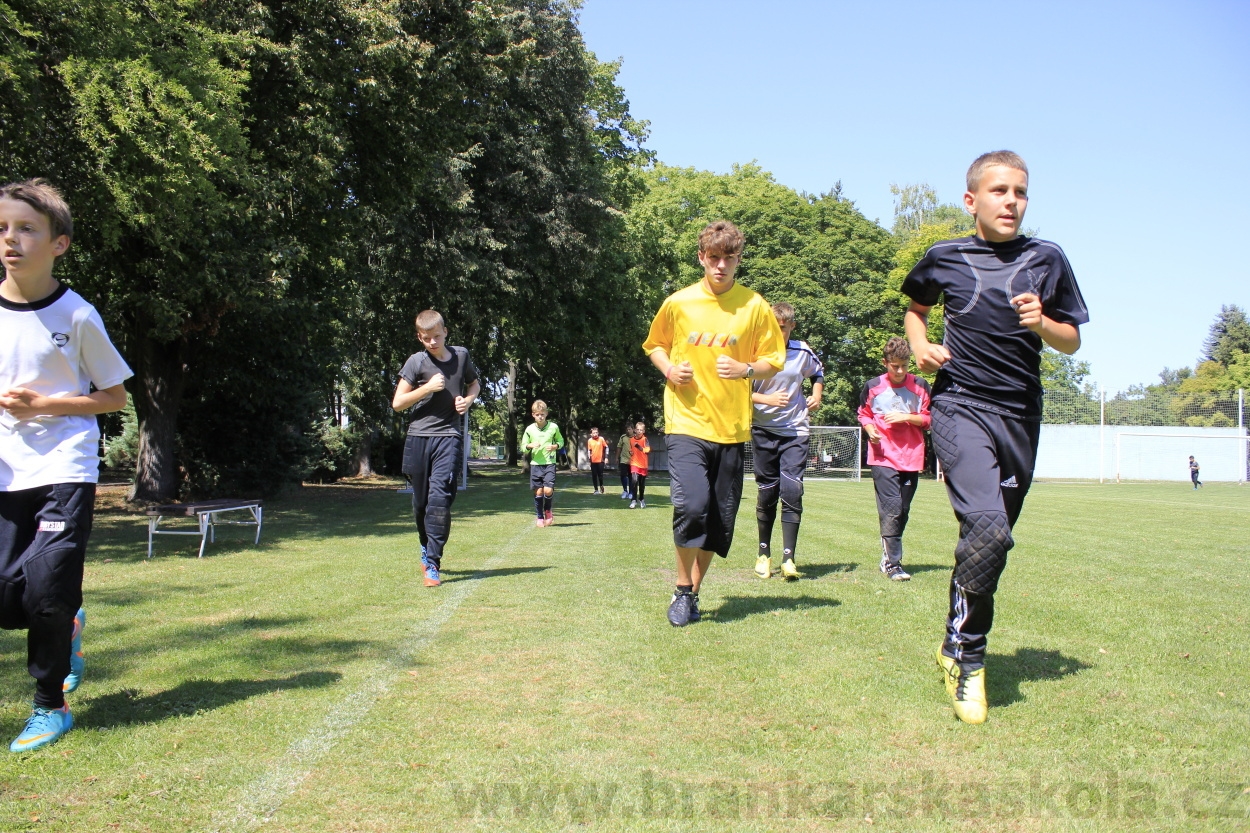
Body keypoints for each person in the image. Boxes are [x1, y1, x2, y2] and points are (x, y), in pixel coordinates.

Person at [903, 151, 1088, 724]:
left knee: (992, 538)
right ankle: (970, 659)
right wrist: (919, 346)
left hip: (1020, 416)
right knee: (984, 525)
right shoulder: (944, 257)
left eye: (1021, 192)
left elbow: (1072, 340)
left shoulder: (1046, 258)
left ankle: (954, 637)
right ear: (972, 200)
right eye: (1000, 190)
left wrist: (1043, 324)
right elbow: (916, 309)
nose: (1012, 201)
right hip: (959, 405)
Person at [0, 179, 131, 751]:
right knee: (9, 599)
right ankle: (71, 626)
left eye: (27, 228)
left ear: (60, 243)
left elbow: (113, 397)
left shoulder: (77, 316)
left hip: (63, 467)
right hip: (6, 472)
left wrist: (45, 404)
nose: (11, 239)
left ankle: (49, 706)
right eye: (3, 228)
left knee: (46, 593)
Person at [643, 220, 785, 626]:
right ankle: (681, 588)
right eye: (714, 257)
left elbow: (773, 360)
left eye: (729, 258)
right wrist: (669, 369)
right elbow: (655, 344)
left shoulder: (754, 306)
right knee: (692, 506)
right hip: (686, 421)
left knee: (719, 522)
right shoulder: (679, 303)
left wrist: (745, 368)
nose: (721, 265)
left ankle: (691, 594)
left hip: (732, 428)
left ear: (739, 260)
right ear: (701, 258)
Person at [392, 310, 480, 588]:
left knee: (440, 499)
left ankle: (433, 562)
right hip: (419, 437)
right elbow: (398, 403)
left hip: (448, 436)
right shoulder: (416, 362)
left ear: (446, 332)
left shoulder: (462, 356)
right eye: (426, 338)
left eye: (437, 336)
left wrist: (469, 400)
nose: (432, 342)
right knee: (421, 504)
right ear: (420, 337)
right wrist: (427, 388)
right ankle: (424, 544)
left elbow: (474, 384)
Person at [750, 302, 824, 580]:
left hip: (795, 430)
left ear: (791, 326)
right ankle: (763, 554)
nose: (776, 331)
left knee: (792, 491)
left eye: (781, 327)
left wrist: (817, 393)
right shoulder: (754, 351)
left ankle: (788, 559)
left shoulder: (802, 351)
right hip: (763, 429)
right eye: (772, 326)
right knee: (768, 492)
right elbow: (737, 387)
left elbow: (817, 372)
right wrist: (766, 399)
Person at [857, 337, 931, 582]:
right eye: (894, 366)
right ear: (885, 363)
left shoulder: (921, 386)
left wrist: (905, 417)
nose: (900, 371)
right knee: (892, 508)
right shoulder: (872, 386)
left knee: (903, 509)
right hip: (882, 456)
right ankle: (893, 564)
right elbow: (863, 414)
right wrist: (869, 429)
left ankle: (888, 556)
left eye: (904, 365)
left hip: (911, 456)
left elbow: (930, 419)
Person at [522, 400, 564, 526]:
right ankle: (540, 516)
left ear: (546, 414)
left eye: (542, 414)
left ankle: (548, 510)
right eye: (537, 414)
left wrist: (555, 446)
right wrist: (530, 445)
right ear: (533, 415)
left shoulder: (553, 427)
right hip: (535, 464)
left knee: (548, 490)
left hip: (550, 463)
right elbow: (523, 447)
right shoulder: (529, 429)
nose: (540, 416)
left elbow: (561, 441)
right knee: (539, 491)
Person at [628, 421, 651, 508]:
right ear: (635, 430)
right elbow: (631, 450)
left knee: (641, 484)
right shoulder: (631, 440)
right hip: (634, 463)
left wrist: (640, 447)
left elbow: (647, 450)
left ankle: (641, 499)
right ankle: (633, 500)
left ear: (644, 431)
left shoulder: (645, 439)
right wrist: (631, 452)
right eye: (637, 429)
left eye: (641, 430)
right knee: (634, 480)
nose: (639, 431)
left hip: (643, 465)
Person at [586, 427, 609, 494]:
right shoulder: (589, 440)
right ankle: (596, 490)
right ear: (591, 434)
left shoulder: (601, 439)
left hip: (600, 461)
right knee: (594, 475)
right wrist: (589, 460)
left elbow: (606, 447)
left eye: (596, 432)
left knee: (600, 475)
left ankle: (601, 485)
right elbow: (589, 451)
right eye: (594, 433)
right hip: (593, 461)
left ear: (598, 433)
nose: (595, 434)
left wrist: (606, 457)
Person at [617, 422, 633, 499]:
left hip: (633, 461)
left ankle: (631, 492)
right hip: (623, 459)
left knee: (631, 477)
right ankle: (625, 491)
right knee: (623, 475)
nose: (628, 431)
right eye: (626, 429)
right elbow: (619, 447)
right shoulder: (623, 437)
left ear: (633, 429)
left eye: (629, 429)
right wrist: (617, 457)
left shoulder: (636, 438)